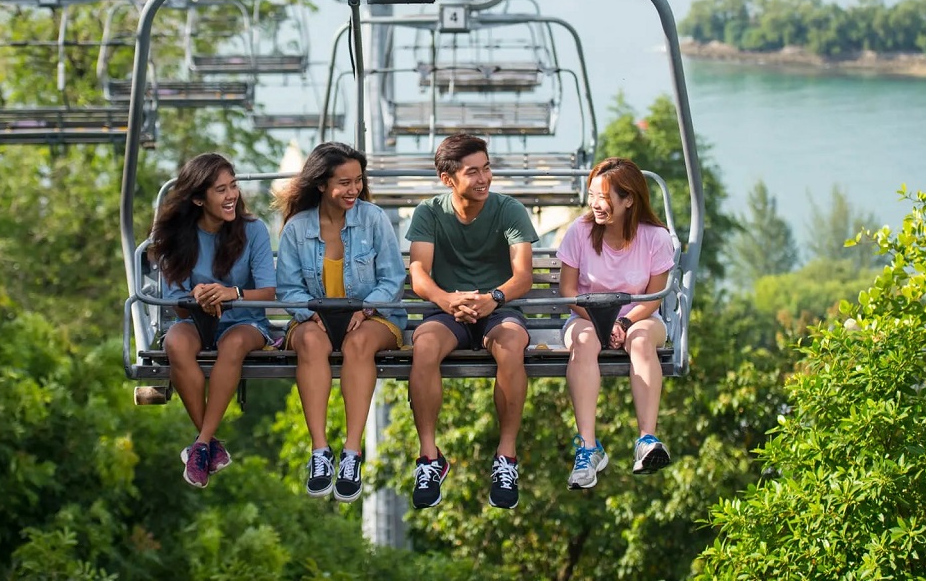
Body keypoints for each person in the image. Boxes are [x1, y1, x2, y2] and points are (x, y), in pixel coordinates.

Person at [405, 133, 539, 510]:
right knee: (424, 346)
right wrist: (447, 300)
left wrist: (491, 299)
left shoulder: (509, 210)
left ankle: (506, 456)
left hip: (498, 308)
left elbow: (523, 276)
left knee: (511, 344)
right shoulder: (429, 213)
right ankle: (429, 457)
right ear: (448, 179)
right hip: (448, 311)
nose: (484, 179)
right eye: (473, 172)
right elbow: (419, 273)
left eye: (487, 168)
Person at [275, 142, 406, 503]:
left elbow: (392, 279)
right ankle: (320, 451)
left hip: (371, 315)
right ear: (321, 184)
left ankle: (351, 452)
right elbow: (289, 289)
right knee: (310, 342)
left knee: (358, 344)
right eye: (344, 183)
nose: (354, 190)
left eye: (358, 181)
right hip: (315, 317)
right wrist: (311, 312)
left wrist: (365, 309)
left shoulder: (373, 219)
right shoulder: (297, 229)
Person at [151, 153, 276, 489]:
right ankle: (209, 447)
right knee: (175, 342)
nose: (231, 195)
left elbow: (268, 292)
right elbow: (177, 306)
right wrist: (198, 297)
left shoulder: (253, 231)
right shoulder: (179, 237)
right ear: (198, 199)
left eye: (233, 186)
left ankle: (203, 442)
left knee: (232, 344)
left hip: (245, 322)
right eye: (221, 190)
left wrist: (231, 293)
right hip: (198, 321)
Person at [558, 156, 675, 490]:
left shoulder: (655, 238)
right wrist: (600, 321)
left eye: (604, 197)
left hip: (640, 317)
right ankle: (588, 448)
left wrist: (622, 321)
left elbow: (653, 298)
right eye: (592, 196)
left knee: (640, 340)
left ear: (628, 200)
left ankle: (646, 439)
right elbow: (568, 291)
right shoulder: (580, 232)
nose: (596, 204)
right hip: (584, 315)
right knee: (584, 342)